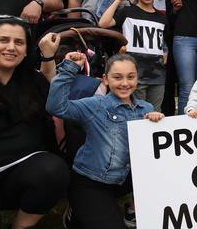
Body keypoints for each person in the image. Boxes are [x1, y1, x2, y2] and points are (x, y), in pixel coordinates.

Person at [47, 52, 164, 229]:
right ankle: (76, 213)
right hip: (90, 182)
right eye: (117, 77)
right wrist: (70, 69)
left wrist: (158, 122)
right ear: (106, 80)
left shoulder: (146, 108)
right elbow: (56, 107)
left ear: (137, 78)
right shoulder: (95, 105)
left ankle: (130, 210)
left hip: (124, 179)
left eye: (130, 77)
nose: (125, 83)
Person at [0, 17, 69, 229]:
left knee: (53, 170)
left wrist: (48, 55)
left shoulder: (31, 80)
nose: (11, 47)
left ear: (26, 51)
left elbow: (53, 90)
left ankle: (20, 226)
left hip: (22, 174)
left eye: (19, 42)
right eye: (3, 40)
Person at [99, 0, 168, 110]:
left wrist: (165, 50)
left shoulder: (162, 17)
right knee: (136, 112)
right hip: (134, 74)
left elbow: (163, 40)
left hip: (157, 74)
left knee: (155, 112)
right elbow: (103, 23)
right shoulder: (127, 12)